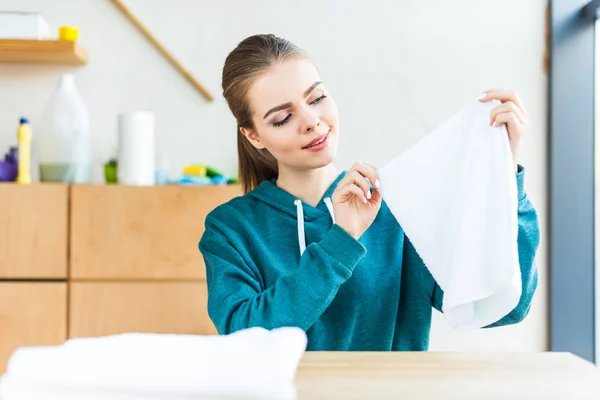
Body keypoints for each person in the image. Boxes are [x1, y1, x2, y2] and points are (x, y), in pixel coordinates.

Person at [198, 34, 540, 351]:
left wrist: (504, 178)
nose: (312, 121)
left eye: (317, 98)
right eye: (283, 117)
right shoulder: (230, 229)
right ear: (254, 136)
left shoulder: (398, 205)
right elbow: (246, 342)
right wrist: (342, 238)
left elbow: (504, 308)